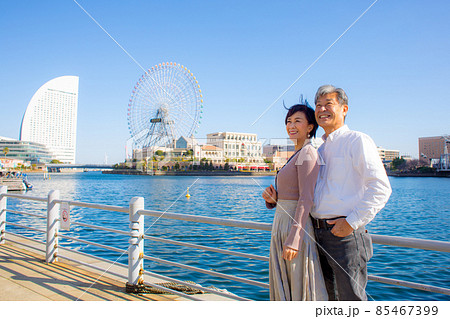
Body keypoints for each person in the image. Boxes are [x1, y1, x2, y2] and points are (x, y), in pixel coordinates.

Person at [311, 84, 392, 300]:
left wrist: (351, 222)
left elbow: (381, 188)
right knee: (328, 300)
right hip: (317, 235)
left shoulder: (357, 140)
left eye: (329, 104)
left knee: (351, 301)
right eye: (318, 105)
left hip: (344, 237)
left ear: (344, 109)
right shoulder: (318, 148)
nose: (322, 109)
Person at [262, 102, 328, 301]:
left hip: (293, 228)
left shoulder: (308, 153)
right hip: (282, 224)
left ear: (310, 127)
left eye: (297, 121)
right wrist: (272, 200)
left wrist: (295, 237)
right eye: (288, 121)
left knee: (298, 285)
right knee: (287, 284)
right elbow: (291, 193)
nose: (291, 125)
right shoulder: (295, 155)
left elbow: (306, 198)